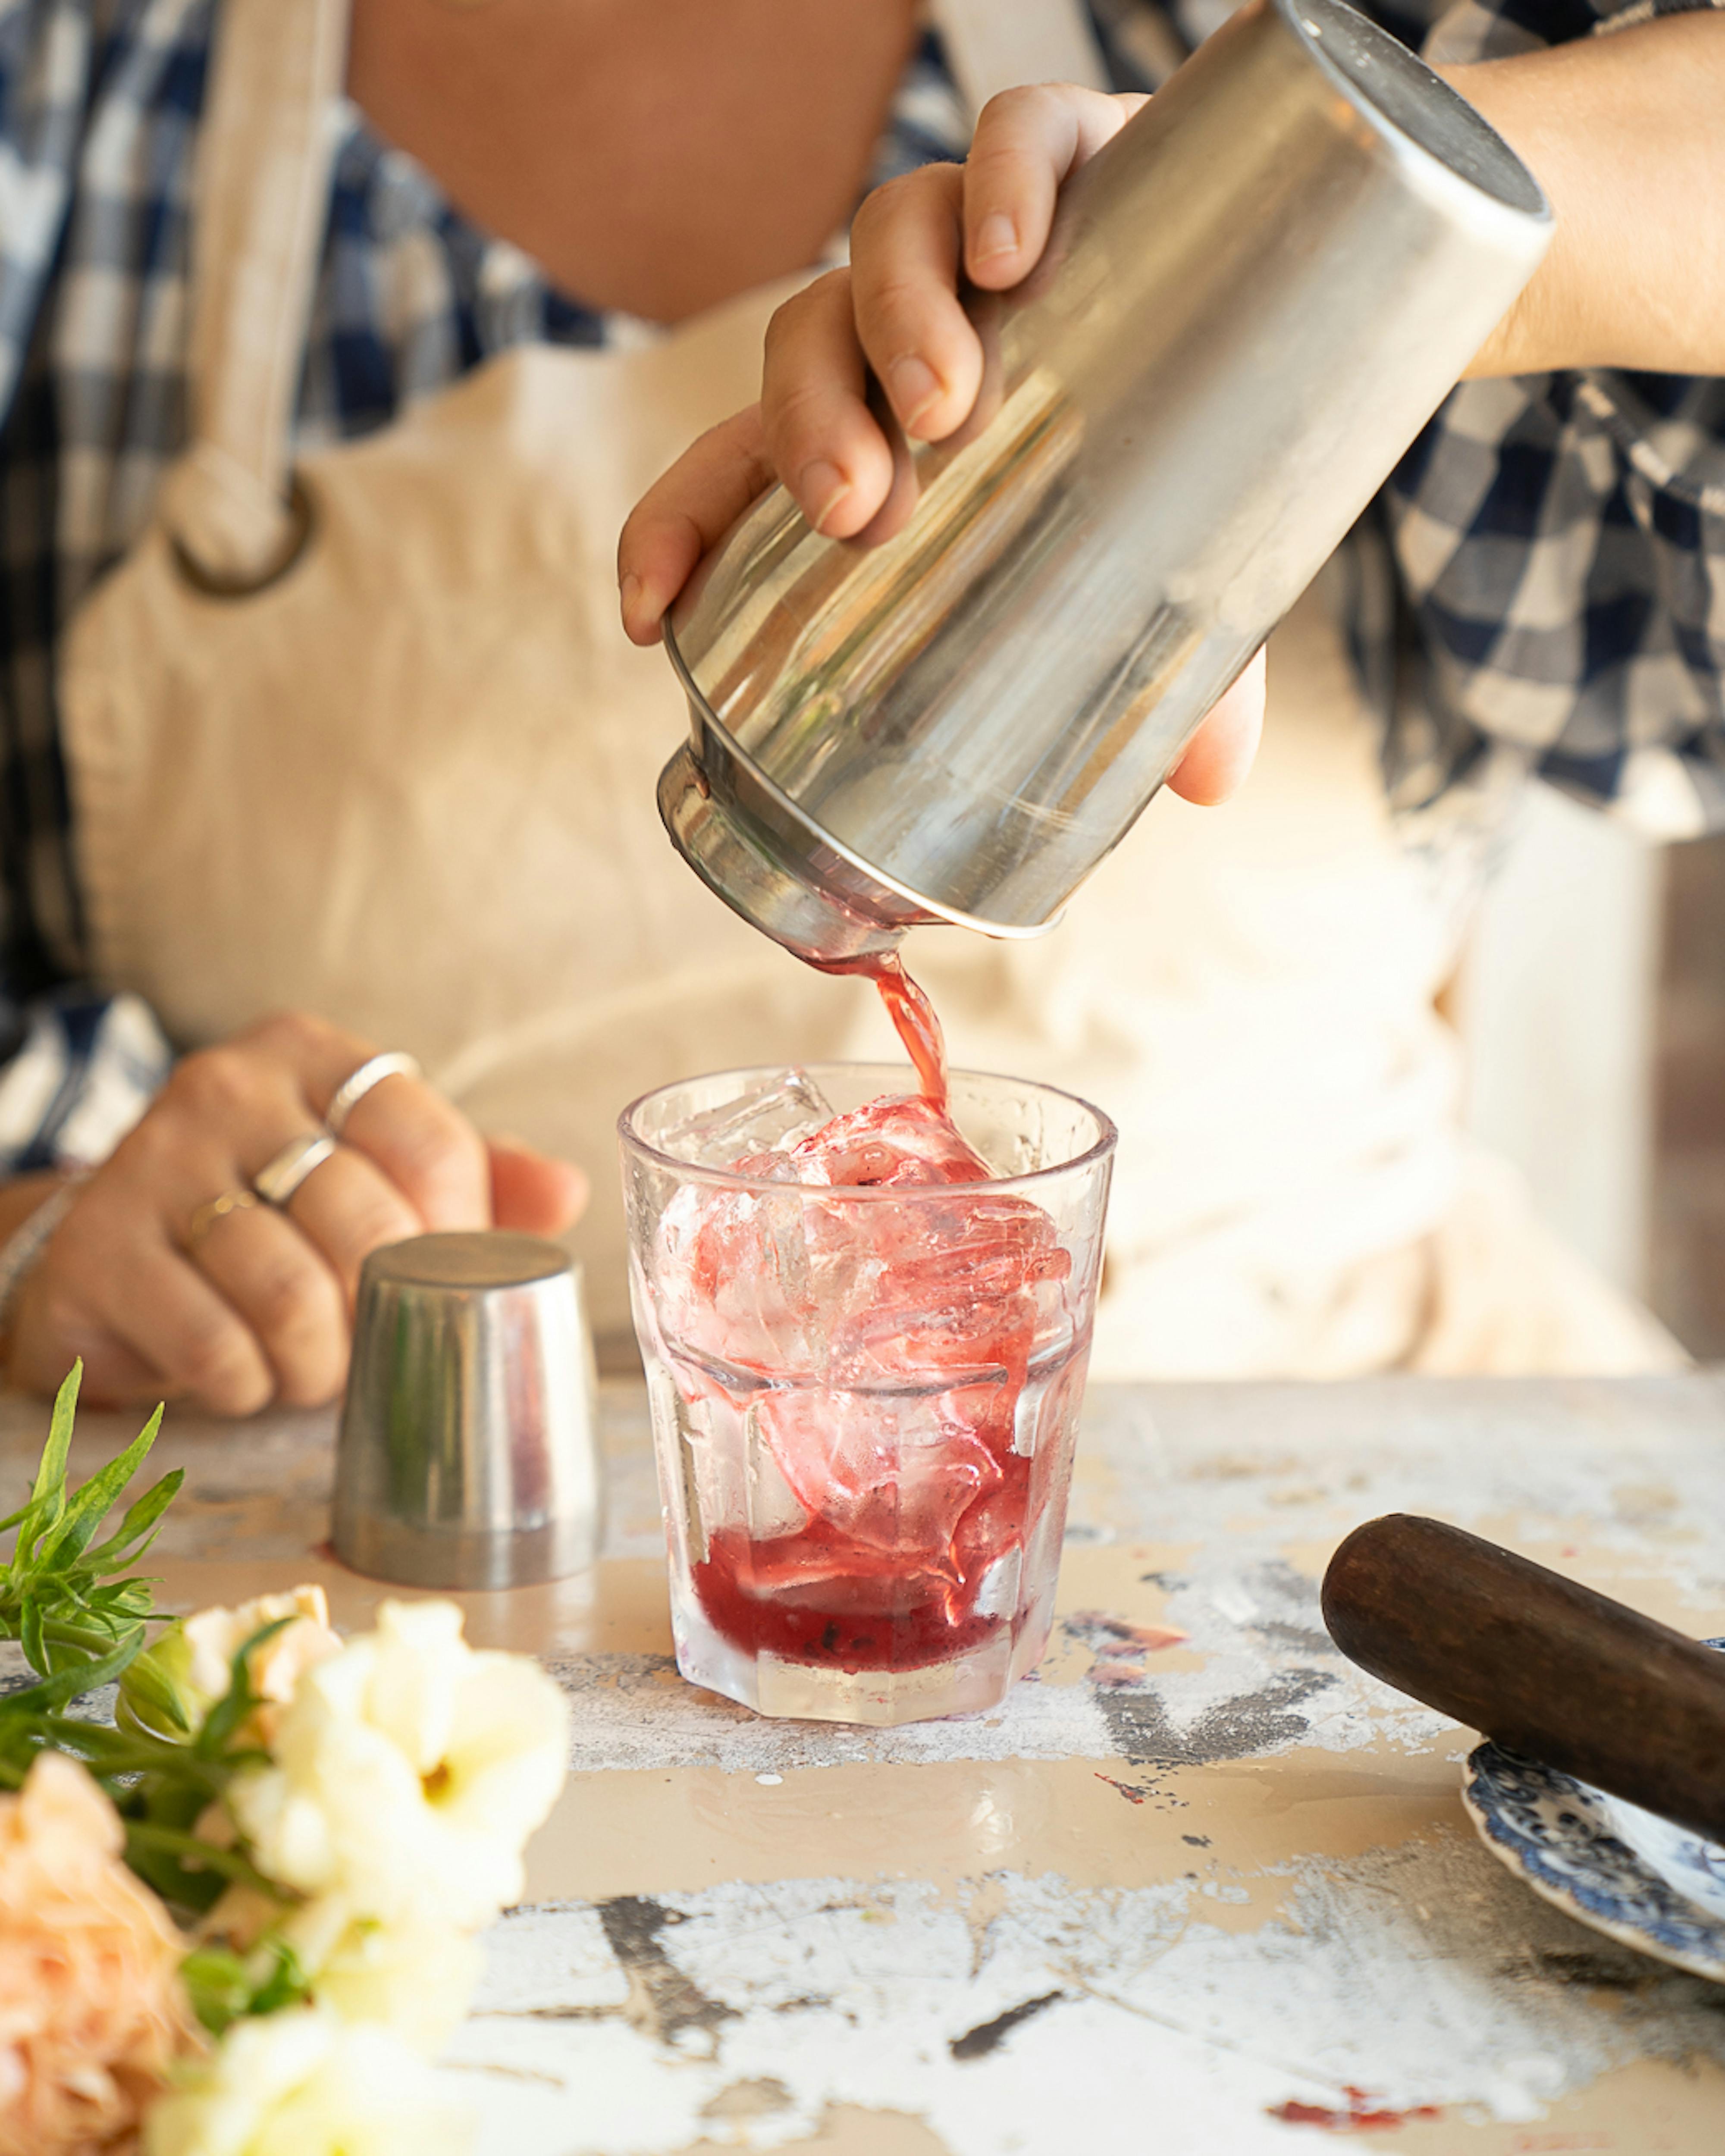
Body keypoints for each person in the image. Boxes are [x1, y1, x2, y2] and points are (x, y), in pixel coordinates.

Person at [0, 0, 1717, 1410]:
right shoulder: (79, 66)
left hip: (1333, 1468)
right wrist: (44, 1221)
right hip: (373, 1518)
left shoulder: (1294, 37)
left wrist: (1292, 241)